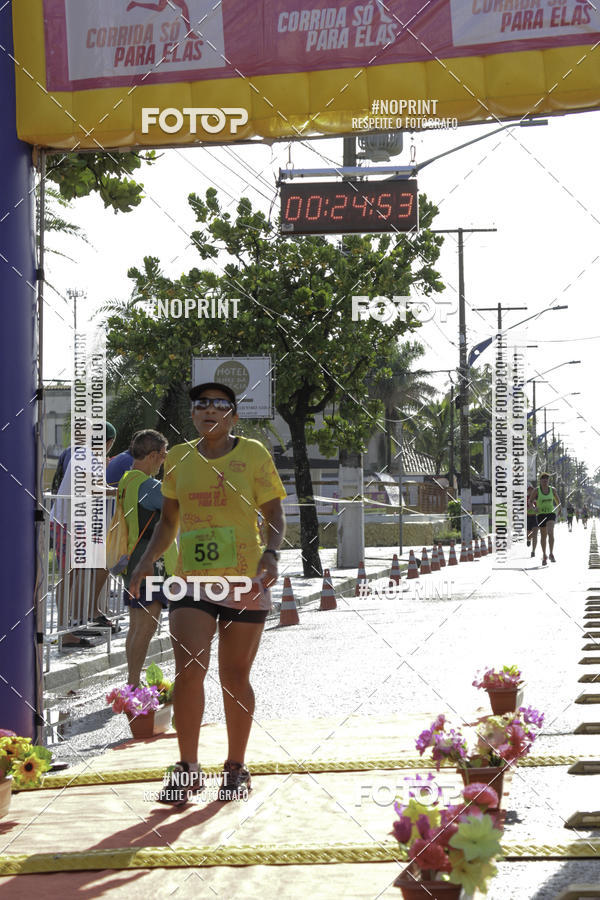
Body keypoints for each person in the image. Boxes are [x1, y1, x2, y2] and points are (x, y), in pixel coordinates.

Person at [129, 383, 286, 804]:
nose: (208, 410)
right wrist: (146, 561)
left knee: (234, 675)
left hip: (244, 578)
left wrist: (271, 553)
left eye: (218, 404)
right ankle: (188, 768)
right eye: (201, 404)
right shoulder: (179, 457)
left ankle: (235, 766)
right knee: (189, 670)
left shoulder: (253, 453)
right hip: (192, 581)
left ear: (233, 415)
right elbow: (169, 522)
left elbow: (274, 512)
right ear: (193, 414)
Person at [118, 430, 177, 687]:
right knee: (147, 626)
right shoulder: (148, 486)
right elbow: (177, 508)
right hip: (152, 564)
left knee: (136, 626)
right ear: (153, 455)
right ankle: (133, 683)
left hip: (133, 560)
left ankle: (132, 681)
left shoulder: (127, 480)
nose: (164, 461)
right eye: (163, 455)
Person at [51, 422, 118, 646]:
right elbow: (93, 488)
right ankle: (64, 632)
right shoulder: (88, 456)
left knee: (79, 571)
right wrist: (120, 491)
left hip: (73, 522)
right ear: (108, 442)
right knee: (69, 575)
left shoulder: (86, 455)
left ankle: (75, 623)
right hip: (68, 522)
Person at [533, 472, 560, 566]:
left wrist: (559, 509)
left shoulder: (552, 490)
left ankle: (551, 553)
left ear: (548, 481)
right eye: (543, 479)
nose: (545, 480)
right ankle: (544, 555)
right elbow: (530, 501)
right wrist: (534, 508)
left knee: (550, 532)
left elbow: (558, 501)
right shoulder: (536, 490)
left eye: (546, 479)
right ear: (540, 480)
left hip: (550, 513)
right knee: (543, 535)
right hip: (540, 514)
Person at [526, 483, 538, 557]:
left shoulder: (536, 498)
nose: (530, 491)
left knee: (535, 534)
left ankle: (533, 551)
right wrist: (528, 508)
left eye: (531, 490)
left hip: (534, 517)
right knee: (528, 536)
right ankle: (528, 539)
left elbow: (538, 507)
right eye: (529, 490)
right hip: (527, 517)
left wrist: (535, 508)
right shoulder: (525, 498)